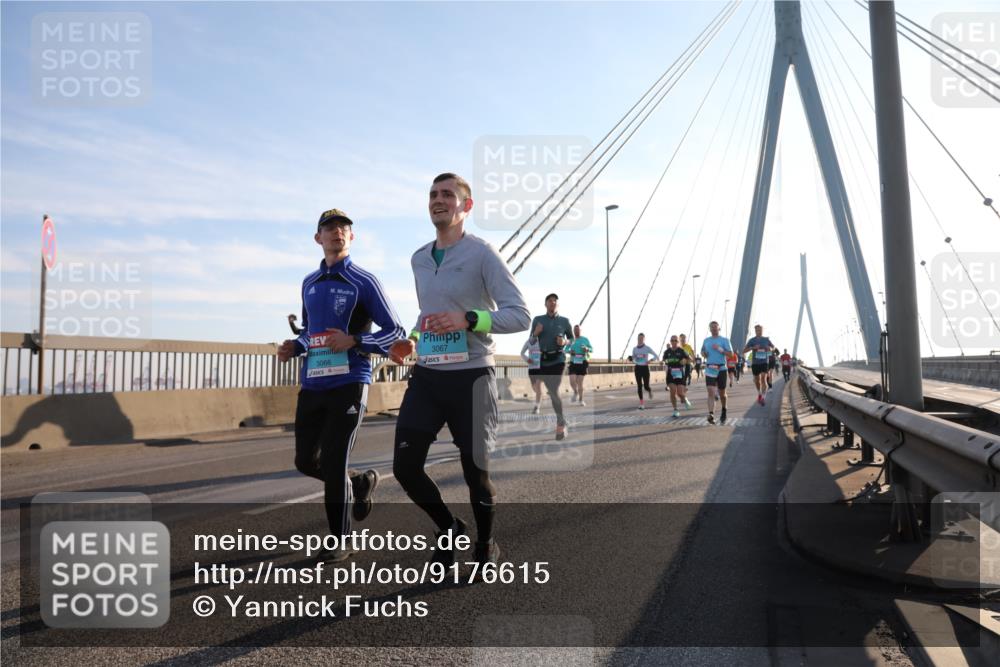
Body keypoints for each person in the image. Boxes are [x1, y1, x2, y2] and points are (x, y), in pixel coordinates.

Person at [388, 173, 530, 569]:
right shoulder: (418, 258)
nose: (438, 200)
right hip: (429, 374)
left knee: (475, 471)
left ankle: (485, 543)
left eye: (447, 194)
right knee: (404, 466)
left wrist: (469, 318)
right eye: (433, 194)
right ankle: (448, 526)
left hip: (472, 377)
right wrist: (414, 338)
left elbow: (520, 315)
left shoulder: (483, 254)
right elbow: (427, 314)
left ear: (466, 206)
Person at [277, 207, 406, 563]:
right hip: (314, 383)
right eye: (329, 228)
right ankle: (359, 483)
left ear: (352, 237)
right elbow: (310, 333)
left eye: (344, 228)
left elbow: (396, 331)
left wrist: (355, 341)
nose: (337, 232)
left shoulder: (364, 280)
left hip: (350, 380)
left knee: (334, 461)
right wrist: (295, 346)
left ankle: (341, 539)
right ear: (318, 238)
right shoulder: (308, 283)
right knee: (306, 460)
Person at [530, 294, 574, 440]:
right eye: (550, 301)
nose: (552, 302)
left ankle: (560, 424)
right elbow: (531, 341)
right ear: (545, 304)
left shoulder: (565, 321)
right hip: (542, 360)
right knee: (546, 389)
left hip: (558, 359)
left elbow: (572, 340)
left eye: (555, 301)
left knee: (553, 390)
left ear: (557, 304)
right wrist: (536, 334)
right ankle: (562, 419)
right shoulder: (538, 320)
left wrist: (565, 343)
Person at [700, 321, 732, 424]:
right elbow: (702, 352)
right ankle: (711, 414)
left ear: (719, 329)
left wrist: (720, 349)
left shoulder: (724, 340)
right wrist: (703, 353)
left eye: (715, 327)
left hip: (721, 369)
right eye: (712, 327)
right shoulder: (706, 340)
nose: (714, 329)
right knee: (711, 392)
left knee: (722, 394)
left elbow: (731, 354)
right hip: (710, 368)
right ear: (709, 329)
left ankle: (724, 409)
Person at [743, 324, 775, 406]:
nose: (759, 331)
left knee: (764, 378)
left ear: (762, 330)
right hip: (755, 363)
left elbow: (773, 347)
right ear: (755, 331)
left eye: (760, 330)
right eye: (757, 330)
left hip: (764, 362)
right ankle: (759, 393)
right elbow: (744, 351)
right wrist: (752, 348)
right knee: (757, 381)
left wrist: (770, 349)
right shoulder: (752, 340)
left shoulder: (766, 339)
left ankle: (763, 397)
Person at [663, 335, 692, 418]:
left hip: (680, 373)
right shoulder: (667, 352)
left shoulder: (682, 351)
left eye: (676, 340)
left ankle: (685, 399)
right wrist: (664, 362)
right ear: (670, 341)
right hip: (670, 373)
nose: (674, 342)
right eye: (672, 340)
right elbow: (664, 360)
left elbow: (690, 359)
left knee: (679, 393)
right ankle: (675, 410)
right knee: (672, 391)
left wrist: (685, 360)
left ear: (678, 342)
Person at [628, 333, 659, 410]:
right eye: (639, 338)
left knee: (646, 386)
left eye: (642, 339)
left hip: (645, 368)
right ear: (637, 339)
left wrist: (650, 360)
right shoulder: (634, 349)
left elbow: (656, 356)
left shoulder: (647, 348)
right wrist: (631, 358)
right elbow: (634, 358)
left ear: (644, 339)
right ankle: (641, 403)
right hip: (638, 368)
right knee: (639, 386)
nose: (640, 340)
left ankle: (649, 390)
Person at [566, 324, 592, 406]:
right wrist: (570, 351)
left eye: (578, 330)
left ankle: (581, 400)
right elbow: (565, 349)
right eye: (575, 330)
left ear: (580, 331)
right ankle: (575, 392)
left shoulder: (585, 339)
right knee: (572, 381)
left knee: (580, 382)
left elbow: (591, 349)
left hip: (583, 361)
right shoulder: (571, 340)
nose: (576, 331)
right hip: (573, 362)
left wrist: (587, 349)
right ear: (573, 331)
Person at [520, 334, 543, 414]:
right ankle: (539, 396)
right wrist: (527, 359)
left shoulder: (542, 342)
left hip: (540, 368)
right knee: (534, 388)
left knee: (538, 387)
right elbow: (522, 353)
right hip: (531, 368)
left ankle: (537, 407)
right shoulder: (528, 342)